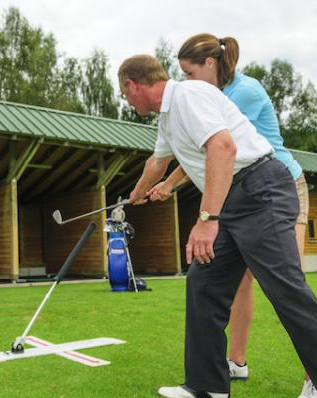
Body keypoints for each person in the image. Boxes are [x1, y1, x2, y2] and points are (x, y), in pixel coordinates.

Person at [118, 54, 317, 398]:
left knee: (285, 289)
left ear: (132, 86)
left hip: (260, 189)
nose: (127, 100)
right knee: (203, 283)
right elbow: (157, 162)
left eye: (125, 94)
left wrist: (207, 220)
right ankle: (206, 386)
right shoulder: (167, 119)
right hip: (235, 199)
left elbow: (223, 148)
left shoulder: (187, 95)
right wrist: (133, 195)